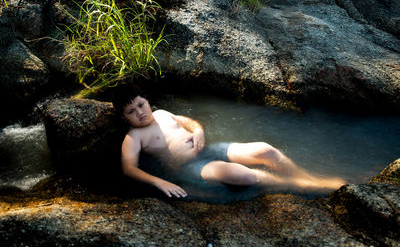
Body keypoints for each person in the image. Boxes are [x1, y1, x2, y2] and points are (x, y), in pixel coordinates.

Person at [112, 84, 345, 198]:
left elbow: (190, 122)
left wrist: (199, 131)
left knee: (267, 150)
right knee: (244, 175)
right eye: (131, 111)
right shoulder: (133, 137)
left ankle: (308, 178)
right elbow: (129, 169)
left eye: (141, 104)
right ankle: (301, 186)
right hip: (193, 167)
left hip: (210, 150)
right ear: (124, 118)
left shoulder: (162, 113)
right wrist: (159, 182)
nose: (140, 112)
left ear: (147, 100)